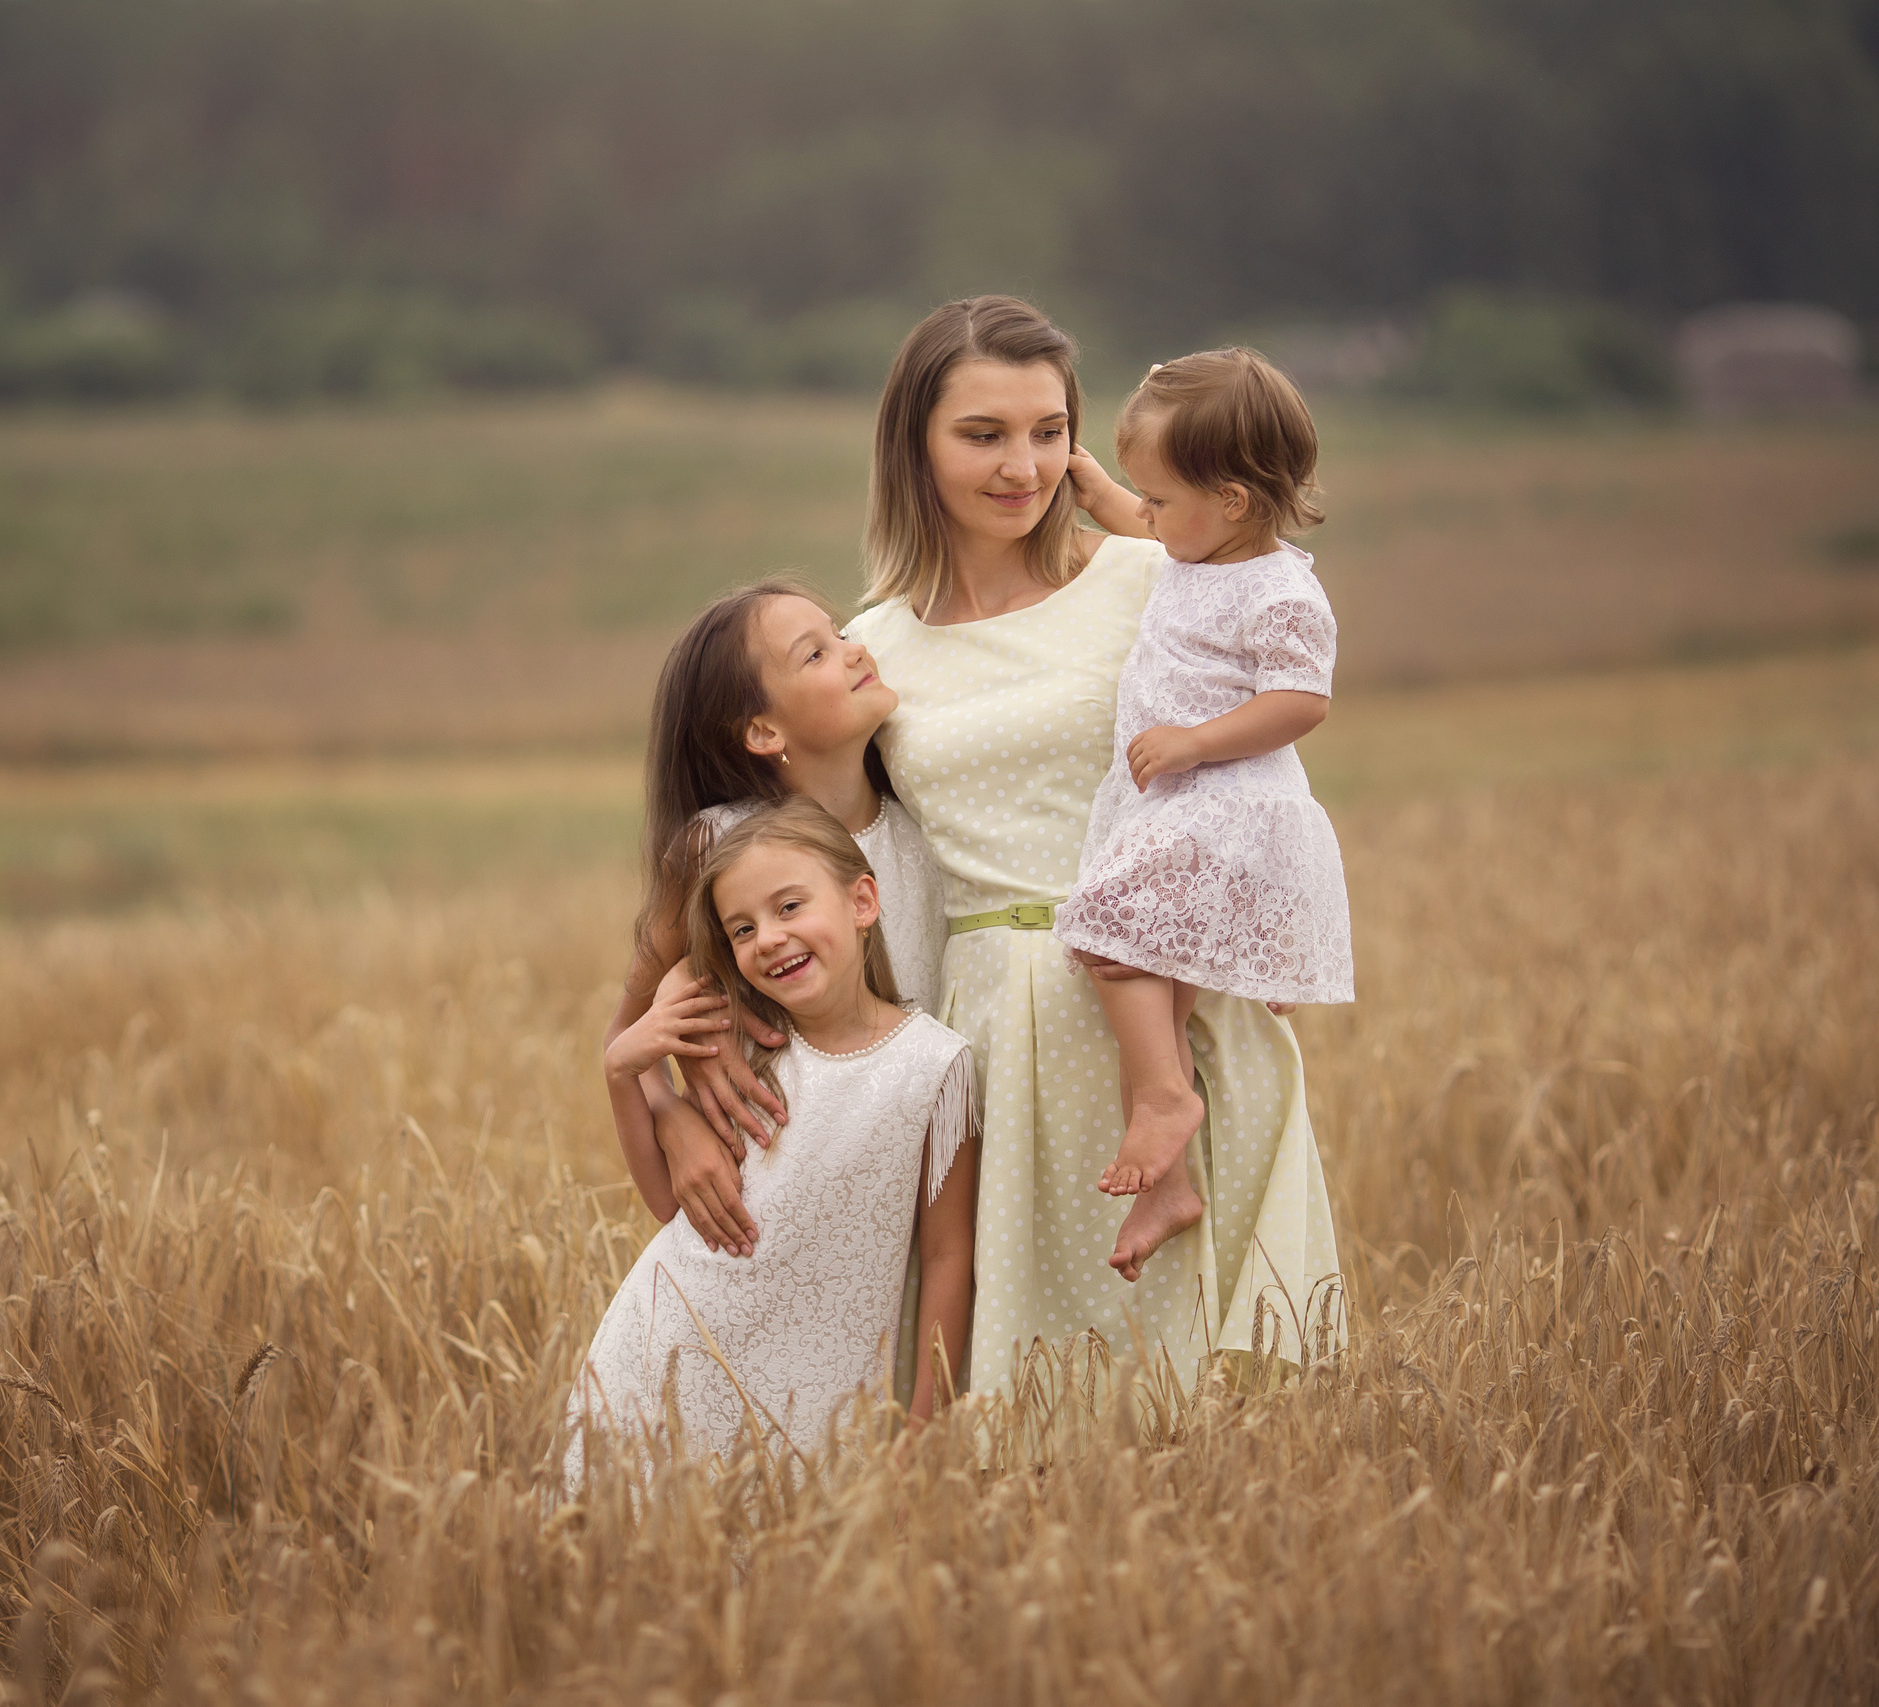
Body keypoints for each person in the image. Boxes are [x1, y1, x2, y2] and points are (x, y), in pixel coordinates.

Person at [811, 295, 1343, 1393]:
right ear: (911, 443)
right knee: (1022, 1430)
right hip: (994, 1044)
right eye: (983, 434)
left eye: (1049, 431)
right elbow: (838, 854)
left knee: (1207, 1428)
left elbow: (1263, 758)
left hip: (1177, 1027)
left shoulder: (1156, 578)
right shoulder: (868, 646)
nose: (1025, 466)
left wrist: (1268, 922)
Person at [1055, 349, 1354, 1276]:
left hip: (1227, 806)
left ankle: (1163, 1104)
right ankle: (1169, 1182)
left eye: (1158, 500)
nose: (1142, 515)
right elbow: (1120, 513)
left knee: (1108, 931)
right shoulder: (1190, 549)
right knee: (1157, 990)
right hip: (1180, 810)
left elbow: (1301, 701)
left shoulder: (1279, 589)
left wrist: (1194, 739)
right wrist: (1080, 473)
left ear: (1229, 499)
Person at [573, 799, 980, 1469]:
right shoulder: (739, 1050)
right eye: (741, 928)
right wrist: (623, 1070)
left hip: (815, 1399)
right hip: (665, 1368)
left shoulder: (937, 1066)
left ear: (863, 901)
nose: (766, 937)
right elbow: (669, 1207)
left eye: (789, 907)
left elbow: (945, 1255)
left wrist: (924, 1428)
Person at [603, 580, 946, 1260]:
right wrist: (671, 1116)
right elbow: (629, 1029)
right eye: (815, 654)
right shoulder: (719, 846)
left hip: (898, 1210)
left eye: (842, 634)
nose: (854, 652)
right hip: (769, 1216)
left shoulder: (927, 829)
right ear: (763, 731)